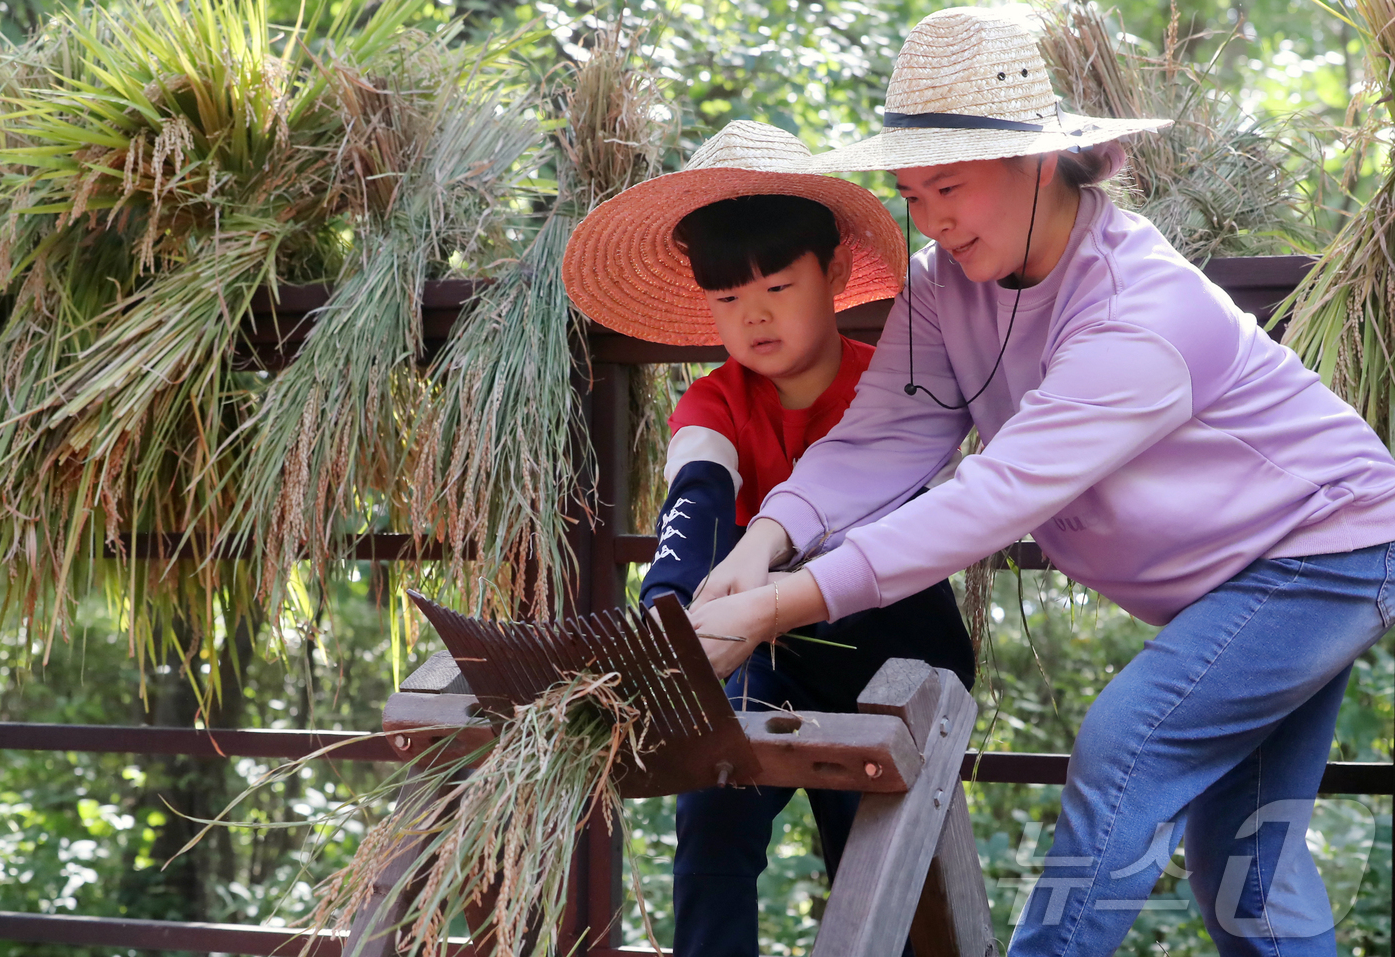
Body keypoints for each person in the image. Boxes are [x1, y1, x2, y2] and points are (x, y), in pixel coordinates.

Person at [686, 10, 1395, 957]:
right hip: (1239, 581)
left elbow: (994, 497)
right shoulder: (944, 284)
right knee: (1248, 873)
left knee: (1122, 749)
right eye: (909, 190)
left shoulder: (1142, 313)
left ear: (1039, 162)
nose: (930, 219)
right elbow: (888, 436)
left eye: (950, 186)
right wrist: (760, 542)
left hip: (1329, 552)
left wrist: (777, 606)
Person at [562, 120, 974, 957]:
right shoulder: (712, 404)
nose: (752, 319)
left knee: (874, 849)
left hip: (891, 645)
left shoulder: (893, 388)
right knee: (711, 817)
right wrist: (669, 619)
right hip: (753, 648)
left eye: (779, 288)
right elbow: (697, 498)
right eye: (726, 301)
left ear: (833, 276)